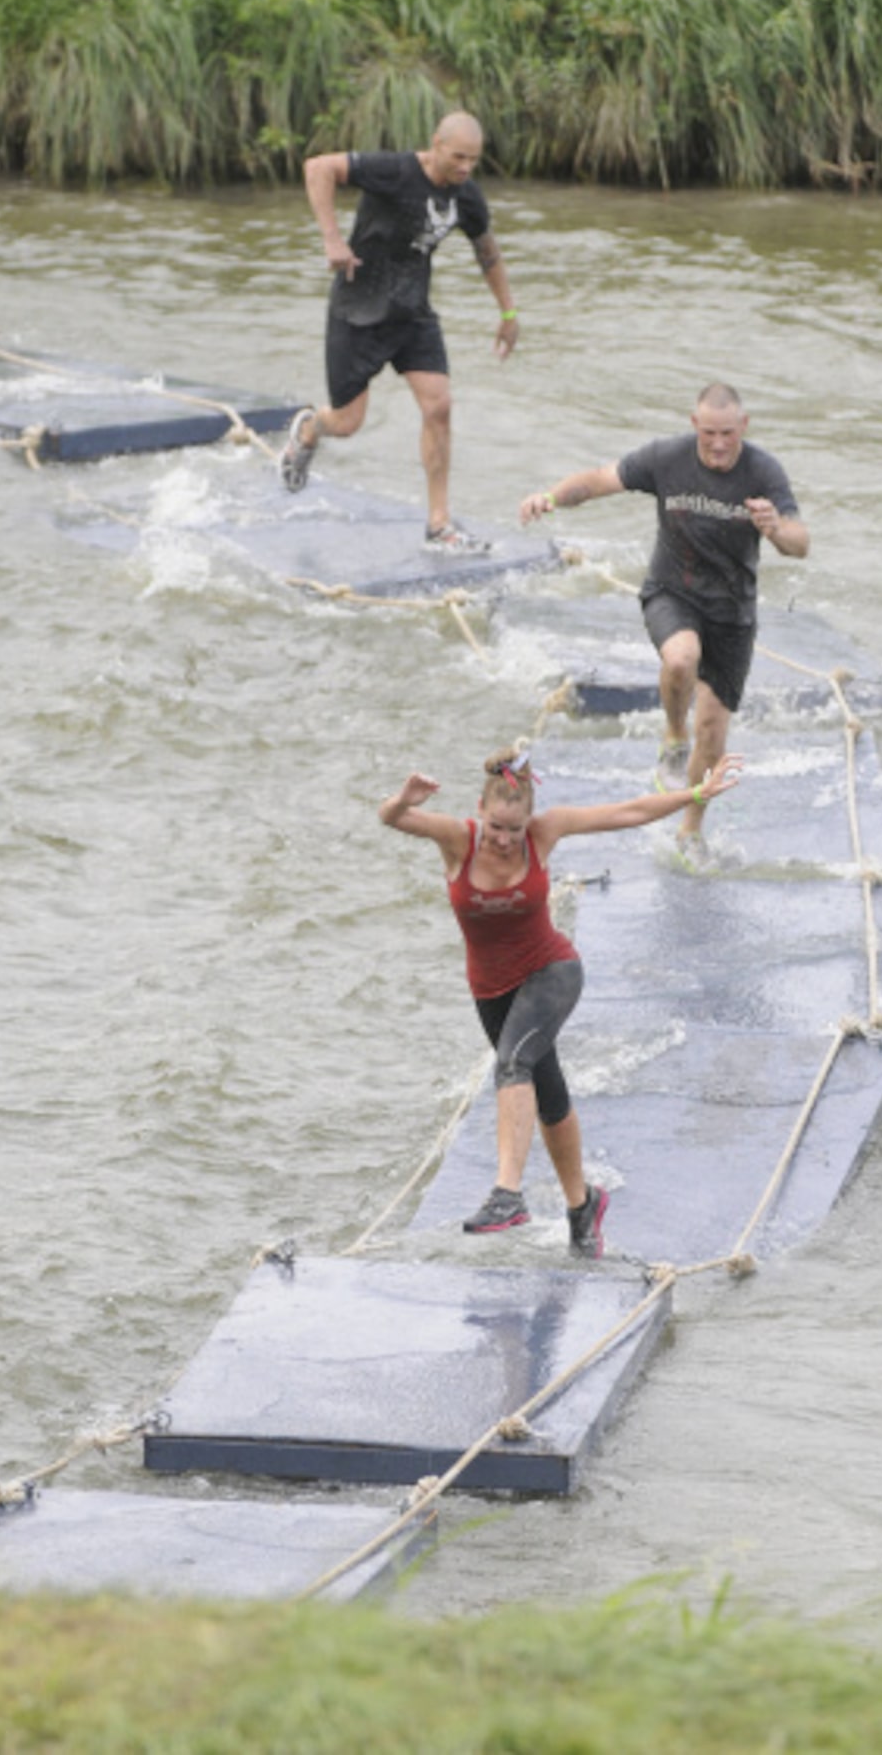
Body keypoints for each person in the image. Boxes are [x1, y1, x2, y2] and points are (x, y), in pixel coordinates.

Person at [379, 743, 742, 1252]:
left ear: (528, 819)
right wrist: (404, 798)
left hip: (552, 971)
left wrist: (698, 792)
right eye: (496, 827)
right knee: (546, 1095)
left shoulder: (544, 832)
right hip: (491, 990)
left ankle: (507, 1194)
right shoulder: (457, 839)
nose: (504, 840)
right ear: (480, 812)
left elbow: (628, 812)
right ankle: (582, 1204)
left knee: (512, 1066)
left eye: (514, 829)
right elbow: (391, 818)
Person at [519, 383, 808, 864]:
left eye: (728, 435)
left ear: (744, 428)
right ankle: (674, 736)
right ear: (695, 425)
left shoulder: (762, 471)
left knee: (713, 732)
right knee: (681, 659)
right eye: (710, 433)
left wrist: (776, 528)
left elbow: (801, 543)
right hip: (672, 593)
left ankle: (690, 829)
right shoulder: (666, 459)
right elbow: (598, 479)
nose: (718, 444)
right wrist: (549, 496)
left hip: (733, 614)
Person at [280, 110, 519, 553]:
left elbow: (488, 251)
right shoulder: (394, 170)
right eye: (458, 157)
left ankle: (439, 524)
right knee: (347, 422)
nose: (466, 168)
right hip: (358, 310)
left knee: (439, 407)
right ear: (436, 144)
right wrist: (332, 239)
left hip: (412, 313)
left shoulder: (466, 196)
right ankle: (310, 430)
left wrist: (508, 313)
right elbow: (319, 167)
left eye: (474, 160)